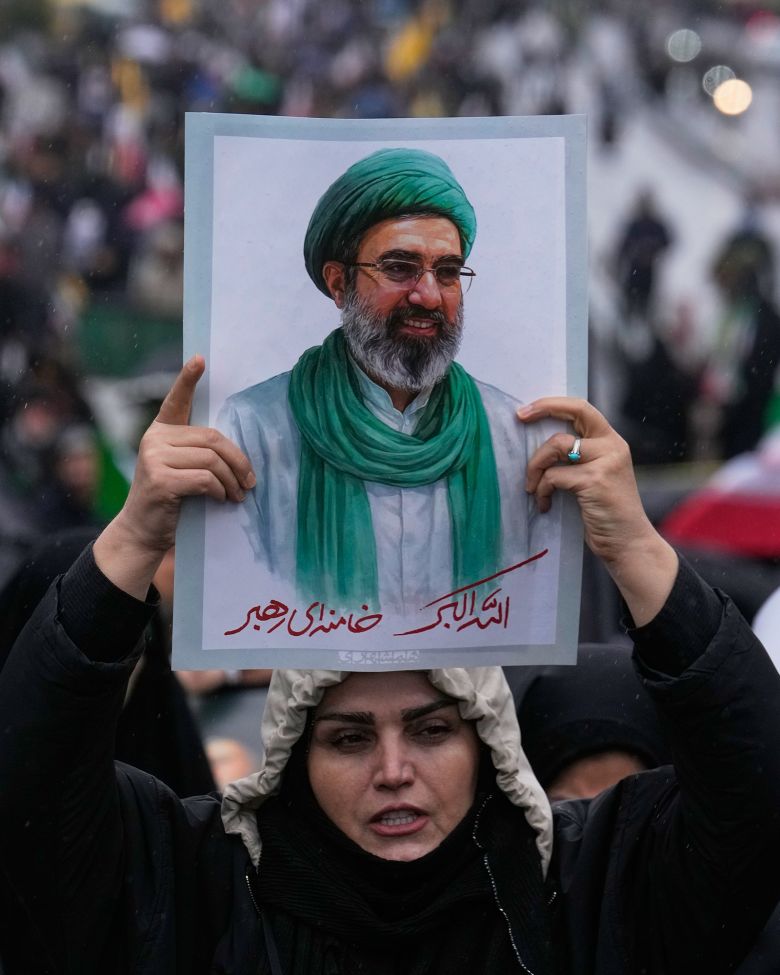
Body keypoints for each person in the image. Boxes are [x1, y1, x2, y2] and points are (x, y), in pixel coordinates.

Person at [1, 358, 779, 973]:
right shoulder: (200, 887)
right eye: (348, 737)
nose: (395, 770)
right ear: (294, 753)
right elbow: (32, 781)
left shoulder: (579, 889)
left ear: (488, 740)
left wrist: (635, 548)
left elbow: (756, 786)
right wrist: (136, 536)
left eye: (432, 729)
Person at [218, 147, 556, 612]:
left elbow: (538, 599)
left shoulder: (514, 430)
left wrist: (579, 452)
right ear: (339, 284)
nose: (428, 295)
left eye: (448, 272)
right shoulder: (252, 429)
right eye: (399, 268)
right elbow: (232, 609)